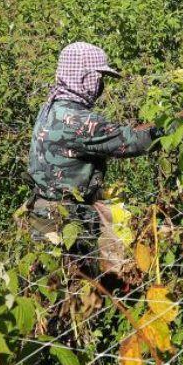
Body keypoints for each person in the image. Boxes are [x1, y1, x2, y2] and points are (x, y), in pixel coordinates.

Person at [27, 42, 160, 272]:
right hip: (68, 219)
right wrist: (175, 124)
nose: (100, 85)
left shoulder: (52, 107)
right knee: (78, 289)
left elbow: (114, 134)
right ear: (86, 78)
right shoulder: (79, 121)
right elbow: (133, 141)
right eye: (98, 78)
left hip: (42, 212)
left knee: (50, 284)